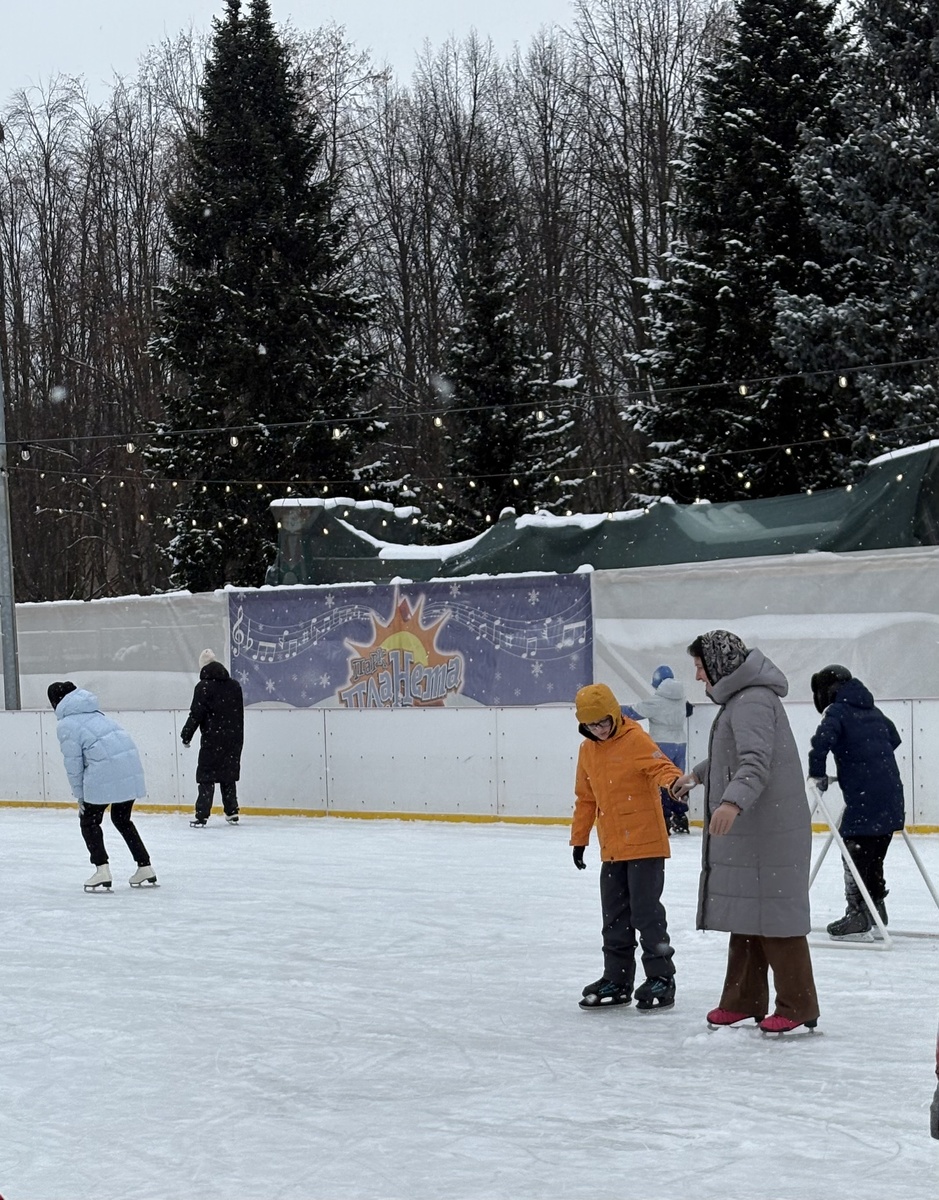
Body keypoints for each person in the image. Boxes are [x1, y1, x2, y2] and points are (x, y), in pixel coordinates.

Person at [672, 631, 820, 1035]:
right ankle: (742, 1000)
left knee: (776, 919)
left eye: (701, 668)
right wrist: (699, 775)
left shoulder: (753, 700)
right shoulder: (743, 698)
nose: (699, 677)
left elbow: (756, 761)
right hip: (759, 829)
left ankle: (799, 1004)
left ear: (719, 665)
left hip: (768, 830)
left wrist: (732, 802)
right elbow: (732, 754)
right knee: (748, 916)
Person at [570, 682, 683, 1012]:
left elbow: (662, 766)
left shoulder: (635, 738)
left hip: (646, 844)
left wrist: (675, 783)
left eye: (603, 722)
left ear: (614, 714)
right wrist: (579, 840)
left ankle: (662, 977)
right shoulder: (587, 751)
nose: (599, 730)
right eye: (591, 726)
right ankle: (617, 978)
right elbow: (586, 798)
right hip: (614, 846)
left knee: (647, 915)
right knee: (614, 916)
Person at [807, 665, 905, 939]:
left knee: (854, 848)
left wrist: (817, 774)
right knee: (873, 854)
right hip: (891, 795)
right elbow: (893, 739)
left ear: (828, 691)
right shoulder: (873, 711)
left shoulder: (837, 712)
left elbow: (820, 744)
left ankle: (858, 914)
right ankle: (876, 908)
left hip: (865, 797)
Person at [49, 681, 157, 891]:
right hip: (129, 770)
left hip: (106, 773)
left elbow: (74, 766)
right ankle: (145, 866)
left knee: (88, 821)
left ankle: (102, 870)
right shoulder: (98, 714)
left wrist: (80, 798)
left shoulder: (67, 725)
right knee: (122, 819)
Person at [622, 665, 694, 834]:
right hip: (680, 744)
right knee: (677, 780)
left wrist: (610, 710)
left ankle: (663, 820)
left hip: (661, 744)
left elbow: (632, 713)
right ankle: (681, 817)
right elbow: (689, 710)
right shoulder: (682, 699)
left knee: (662, 781)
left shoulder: (657, 701)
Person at [181, 649, 245, 827]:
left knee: (206, 776)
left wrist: (186, 735)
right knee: (228, 775)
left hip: (212, 738)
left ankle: (202, 815)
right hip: (234, 738)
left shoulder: (203, 687)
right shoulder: (234, 686)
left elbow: (196, 714)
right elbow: (238, 714)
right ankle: (232, 812)